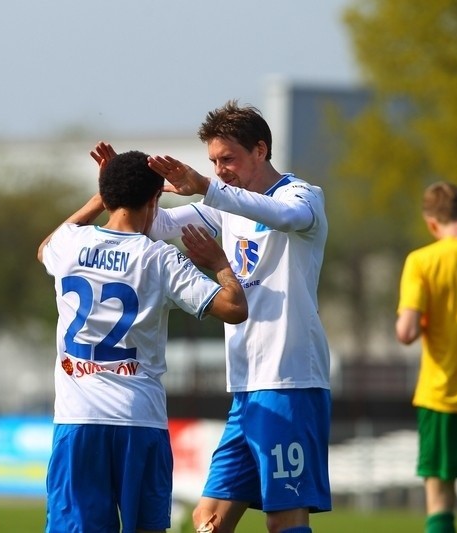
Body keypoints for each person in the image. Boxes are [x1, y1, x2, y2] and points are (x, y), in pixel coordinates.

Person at [110, 98, 330, 533]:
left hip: (289, 381)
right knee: (208, 518)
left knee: (284, 517)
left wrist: (209, 189)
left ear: (261, 151)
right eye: (213, 161)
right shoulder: (223, 207)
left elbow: (285, 216)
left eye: (227, 159)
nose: (219, 169)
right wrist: (123, 186)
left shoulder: (301, 195)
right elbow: (153, 226)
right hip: (246, 386)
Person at [38, 149, 248, 533]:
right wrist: (219, 262)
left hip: (77, 422)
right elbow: (234, 307)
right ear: (154, 201)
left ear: (108, 196)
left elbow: (44, 247)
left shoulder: (68, 245)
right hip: (139, 421)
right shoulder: (160, 259)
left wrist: (100, 197)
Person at [395, 181, 457, 533]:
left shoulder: (424, 261)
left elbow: (406, 332)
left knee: (440, 498)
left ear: (431, 224)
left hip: (442, 398)